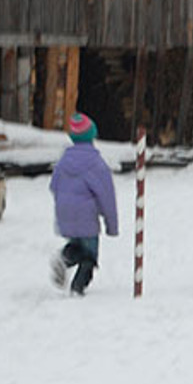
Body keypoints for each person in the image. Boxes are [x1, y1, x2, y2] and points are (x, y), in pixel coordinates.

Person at [49, 113, 119, 296]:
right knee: (90, 255)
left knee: (77, 245)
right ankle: (77, 288)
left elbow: (53, 186)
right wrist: (111, 225)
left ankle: (64, 258)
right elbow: (107, 197)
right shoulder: (96, 164)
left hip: (65, 212)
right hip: (86, 215)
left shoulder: (63, 161)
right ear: (92, 136)